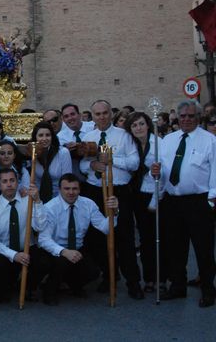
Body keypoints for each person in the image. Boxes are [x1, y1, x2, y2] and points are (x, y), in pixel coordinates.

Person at [152, 100, 216, 308]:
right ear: (177, 118)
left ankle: (208, 288)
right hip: (173, 201)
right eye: (183, 116)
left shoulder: (210, 141)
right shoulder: (168, 140)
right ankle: (177, 285)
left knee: (203, 248)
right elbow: (163, 170)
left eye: (191, 116)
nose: (186, 119)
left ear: (198, 118)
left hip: (199, 202)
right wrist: (157, 173)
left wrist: (212, 201)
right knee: (175, 247)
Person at [80, 100, 141, 298]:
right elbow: (82, 165)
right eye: (97, 114)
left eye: (105, 113)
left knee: (124, 236)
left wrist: (112, 160)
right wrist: (92, 166)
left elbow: (134, 162)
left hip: (118, 190)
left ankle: (133, 282)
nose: (102, 117)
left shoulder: (124, 136)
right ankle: (109, 276)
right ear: (92, 116)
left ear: (110, 113)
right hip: (95, 189)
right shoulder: (88, 137)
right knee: (98, 237)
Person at [37, 173, 118, 305]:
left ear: (79, 190)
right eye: (67, 189)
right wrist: (64, 251)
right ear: (60, 189)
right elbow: (44, 240)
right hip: (55, 249)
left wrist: (114, 212)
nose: (71, 192)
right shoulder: (50, 208)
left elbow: (105, 228)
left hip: (77, 248)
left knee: (93, 272)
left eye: (74, 189)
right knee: (61, 262)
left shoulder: (88, 204)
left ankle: (72, 284)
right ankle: (50, 290)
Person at [0, 169, 46, 302]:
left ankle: (26, 287)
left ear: (18, 182)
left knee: (43, 261)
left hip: (26, 248)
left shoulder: (28, 201)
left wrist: (37, 201)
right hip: (4, 251)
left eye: (12, 180)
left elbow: (40, 226)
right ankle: (3, 289)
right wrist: (14, 255)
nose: (9, 184)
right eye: (5, 181)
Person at [124, 112, 159, 293]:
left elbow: (163, 174)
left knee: (151, 238)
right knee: (140, 236)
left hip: (150, 194)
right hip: (133, 193)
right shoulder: (131, 144)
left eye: (141, 124)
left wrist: (155, 201)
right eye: (134, 125)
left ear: (148, 125)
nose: (138, 128)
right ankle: (144, 277)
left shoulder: (158, 144)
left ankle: (155, 277)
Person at [30, 122, 72, 203]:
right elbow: (36, 181)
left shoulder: (63, 153)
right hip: (39, 199)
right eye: (41, 135)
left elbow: (67, 180)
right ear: (35, 137)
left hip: (60, 198)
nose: (44, 138)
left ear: (52, 137)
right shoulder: (33, 153)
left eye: (48, 135)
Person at [0, 139, 29, 204]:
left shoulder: (23, 171)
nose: (6, 156)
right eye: (2, 153)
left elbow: (26, 194)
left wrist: (24, 193)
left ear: (14, 156)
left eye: (9, 153)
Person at [58, 103, 95, 180]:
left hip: (96, 175)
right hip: (76, 178)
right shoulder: (60, 137)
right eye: (66, 116)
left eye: (72, 114)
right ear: (63, 120)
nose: (70, 118)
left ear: (79, 115)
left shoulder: (93, 127)